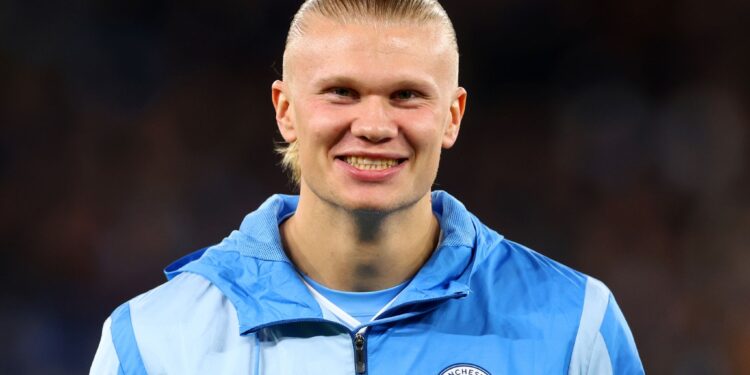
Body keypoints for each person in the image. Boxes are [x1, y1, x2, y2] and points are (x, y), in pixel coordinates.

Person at [90, 0, 644, 374]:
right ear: (286, 111)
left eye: (406, 95)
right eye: (341, 92)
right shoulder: (155, 339)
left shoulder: (576, 323)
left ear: (452, 116)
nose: (376, 126)